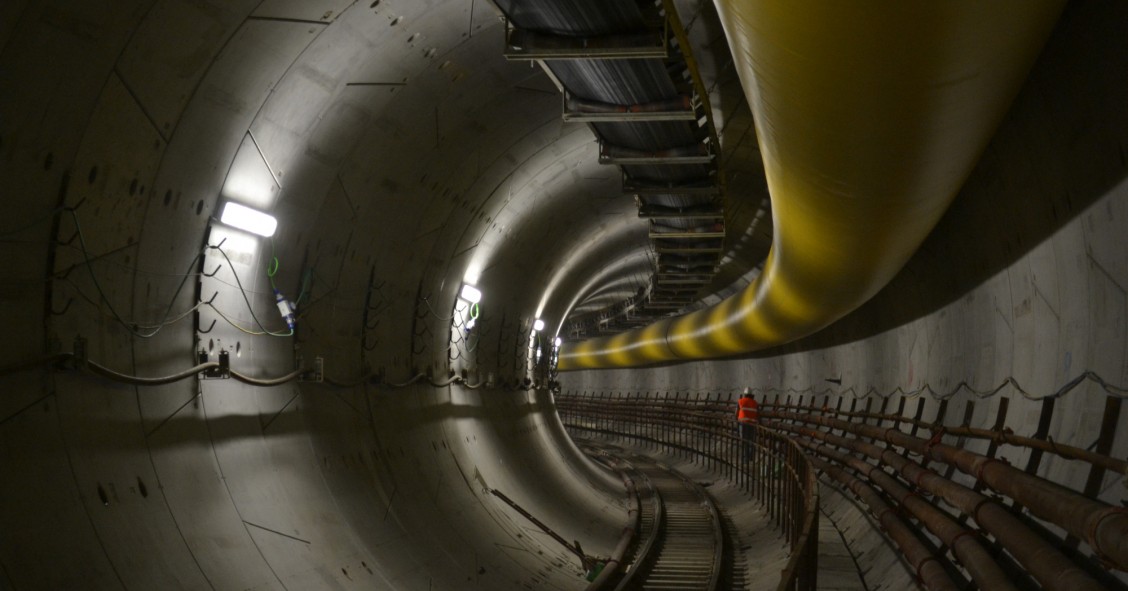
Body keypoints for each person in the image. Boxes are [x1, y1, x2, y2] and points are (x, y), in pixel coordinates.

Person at [736, 388, 759, 461]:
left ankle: (745, 458)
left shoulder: (740, 401)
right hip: (752, 424)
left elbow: (735, 413)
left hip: (743, 424)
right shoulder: (755, 403)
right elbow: (758, 414)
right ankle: (750, 457)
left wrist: (736, 421)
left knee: (744, 441)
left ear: (745, 394)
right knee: (751, 441)